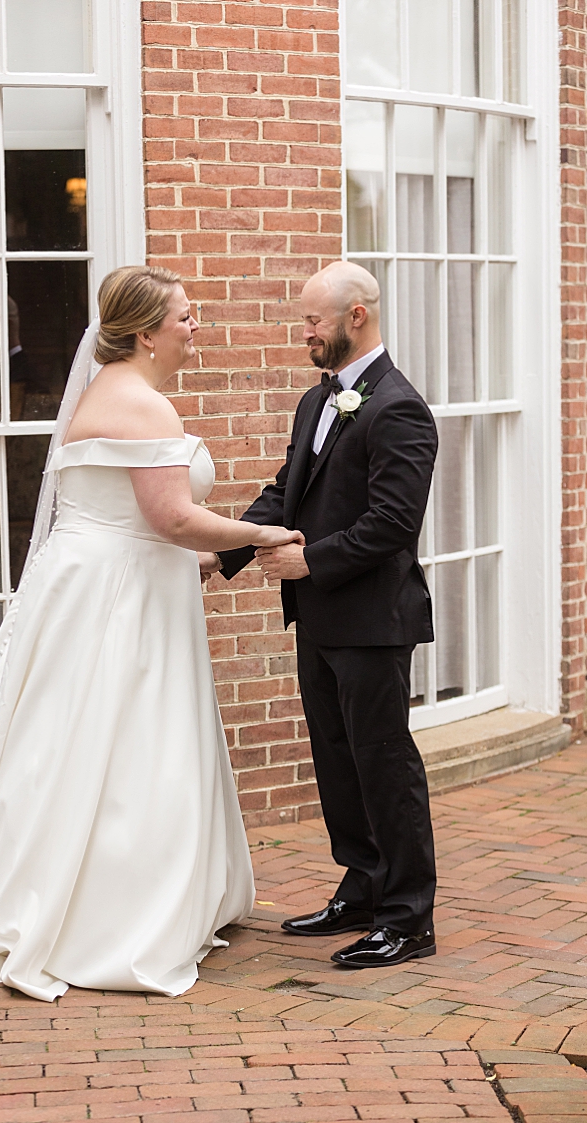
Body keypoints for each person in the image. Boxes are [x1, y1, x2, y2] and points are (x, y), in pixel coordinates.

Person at [0, 266, 301, 1006]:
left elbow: (128, 515)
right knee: (113, 737)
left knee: (60, 739)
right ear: (148, 331)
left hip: (97, 578)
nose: (196, 329)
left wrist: (199, 558)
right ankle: (108, 914)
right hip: (118, 593)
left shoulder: (104, 395)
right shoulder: (145, 406)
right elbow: (171, 518)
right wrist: (258, 532)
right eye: (187, 318)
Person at [214, 261, 439, 969]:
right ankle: (363, 886)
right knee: (337, 762)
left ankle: (408, 917)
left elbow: (395, 523)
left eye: (314, 319)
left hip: (374, 620)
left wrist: (314, 559)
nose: (303, 330)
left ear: (357, 317)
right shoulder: (319, 401)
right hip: (318, 620)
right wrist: (223, 554)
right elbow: (289, 489)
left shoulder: (398, 407)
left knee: (383, 765)